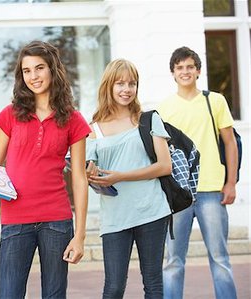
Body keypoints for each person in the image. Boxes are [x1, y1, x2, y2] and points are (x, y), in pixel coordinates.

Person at [0, 40, 90, 299]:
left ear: (52, 69)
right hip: (15, 219)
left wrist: (79, 235)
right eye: (27, 71)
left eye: (39, 68)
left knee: (55, 295)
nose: (33, 76)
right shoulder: (10, 114)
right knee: (9, 295)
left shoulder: (73, 119)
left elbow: (79, 178)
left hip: (56, 221)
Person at [86, 59, 172, 298]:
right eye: (120, 83)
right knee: (113, 287)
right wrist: (90, 175)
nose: (126, 89)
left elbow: (165, 166)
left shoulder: (148, 119)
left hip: (151, 211)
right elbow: (90, 174)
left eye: (132, 83)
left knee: (153, 284)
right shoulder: (94, 128)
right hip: (115, 216)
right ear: (108, 86)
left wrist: (122, 176)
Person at [158, 46, 238, 299]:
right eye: (179, 68)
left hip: (211, 190)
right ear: (172, 73)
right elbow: (162, 153)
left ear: (198, 70)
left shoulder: (214, 101)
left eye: (189, 67)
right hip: (179, 194)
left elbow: (230, 142)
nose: (185, 72)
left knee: (220, 258)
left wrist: (231, 183)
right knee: (173, 261)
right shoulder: (164, 108)